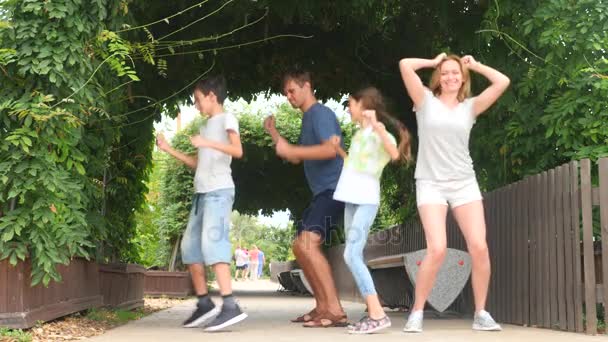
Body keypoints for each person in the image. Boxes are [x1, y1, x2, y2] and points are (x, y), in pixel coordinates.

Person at [398, 53, 510, 332]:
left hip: (463, 182)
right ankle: (417, 312)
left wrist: (475, 65)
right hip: (430, 182)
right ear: (438, 76)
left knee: (479, 246)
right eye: (445, 72)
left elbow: (502, 81)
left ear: (463, 78)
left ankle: (481, 313)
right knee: (437, 248)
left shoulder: (470, 107)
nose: (450, 77)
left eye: (456, 73)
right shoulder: (424, 101)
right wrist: (433, 61)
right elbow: (404, 65)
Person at [156, 75, 248, 331]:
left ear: (211, 96)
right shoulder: (206, 126)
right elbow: (198, 163)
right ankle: (205, 303)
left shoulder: (227, 119)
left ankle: (230, 305)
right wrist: (168, 149)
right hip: (201, 193)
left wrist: (207, 142)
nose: (196, 105)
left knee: (212, 242)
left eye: (198, 99)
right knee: (189, 248)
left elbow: (237, 150)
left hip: (219, 191)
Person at [264, 69, 347, 327]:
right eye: (286, 93)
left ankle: (335, 310)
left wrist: (293, 149)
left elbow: (331, 149)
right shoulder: (307, 118)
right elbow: (296, 156)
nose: (288, 97)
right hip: (322, 192)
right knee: (300, 247)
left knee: (307, 243)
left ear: (307, 86)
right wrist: (275, 134)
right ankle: (323, 307)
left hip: (334, 189)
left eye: (292, 90)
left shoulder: (319, 114)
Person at [330, 87, 412, 334]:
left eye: (350, 104)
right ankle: (375, 312)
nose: (348, 108)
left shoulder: (379, 132)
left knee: (352, 255)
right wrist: (339, 151)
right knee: (351, 254)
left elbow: (395, 153)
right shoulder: (359, 135)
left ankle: (377, 313)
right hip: (351, 197)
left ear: (363, 105)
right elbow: (357, 165)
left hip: (365, 199)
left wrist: (377, 126)